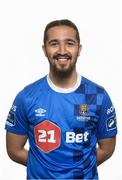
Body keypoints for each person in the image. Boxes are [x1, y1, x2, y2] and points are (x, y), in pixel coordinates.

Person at [5, 19, 117, 180]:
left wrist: (77, 170)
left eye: (69, 43)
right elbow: (14, 150)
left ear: (79, 49)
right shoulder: (27, 97)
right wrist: (46, 169)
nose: (62, 50)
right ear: (44, 49)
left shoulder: (98, 96)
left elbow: (107, 149)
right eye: (54, 43)